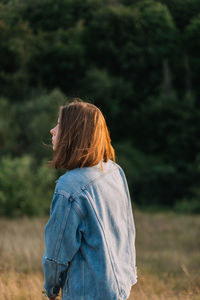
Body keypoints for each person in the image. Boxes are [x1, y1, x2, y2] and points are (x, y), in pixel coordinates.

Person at [42, 100, 137, 300]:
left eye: (59, 124)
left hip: (88, 293)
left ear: (73, 133)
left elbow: (56, 254)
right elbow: (128, 230)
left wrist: (51, 289)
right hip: (119, 287)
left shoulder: (68, 188)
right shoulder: (114, 170)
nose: (52, 130)